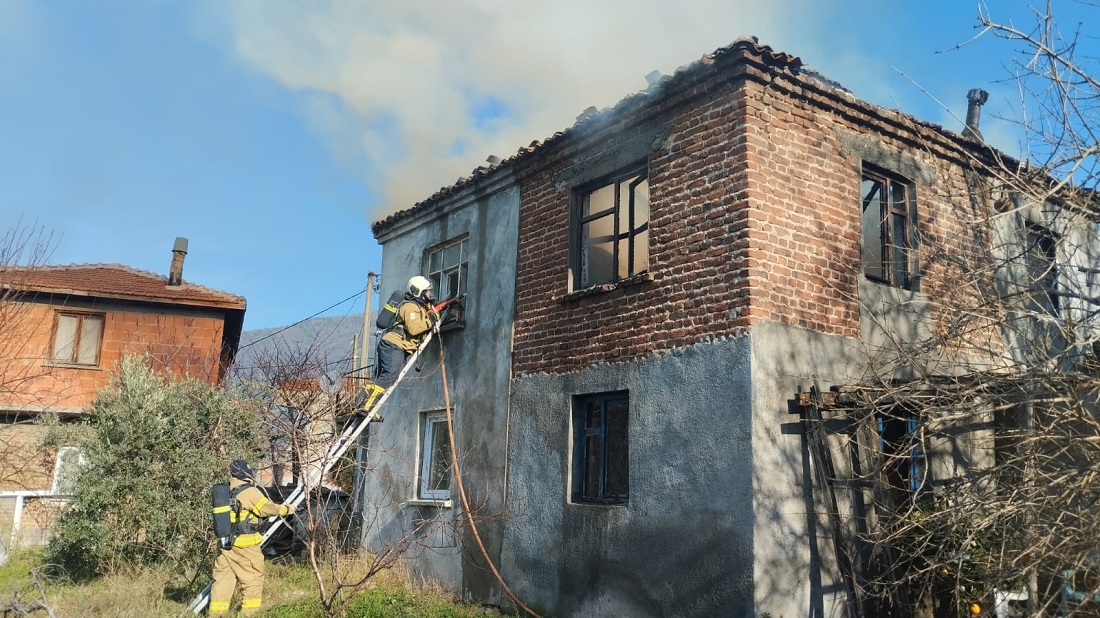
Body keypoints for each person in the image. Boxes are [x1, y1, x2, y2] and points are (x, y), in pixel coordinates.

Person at [209, 460, 296, 616]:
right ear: (246, 474)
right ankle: (249, 614)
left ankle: (216, 615)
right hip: (245, 547)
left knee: (222, 582)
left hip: (225, 546)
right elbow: (266, 508)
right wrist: (288, 509)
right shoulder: (248, 492)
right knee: (253, 580)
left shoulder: (225, 490)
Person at [356, 275, 439, 419]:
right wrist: (431, 320)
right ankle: (366, 406)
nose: (429, 295)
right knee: (389, 376)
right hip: (394, 345)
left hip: (395, 345)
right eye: (427, 292)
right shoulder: (410, 306)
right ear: (418, 291)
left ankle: (361, 404)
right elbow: (414, 329)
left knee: (379, 377)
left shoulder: (420, 308)